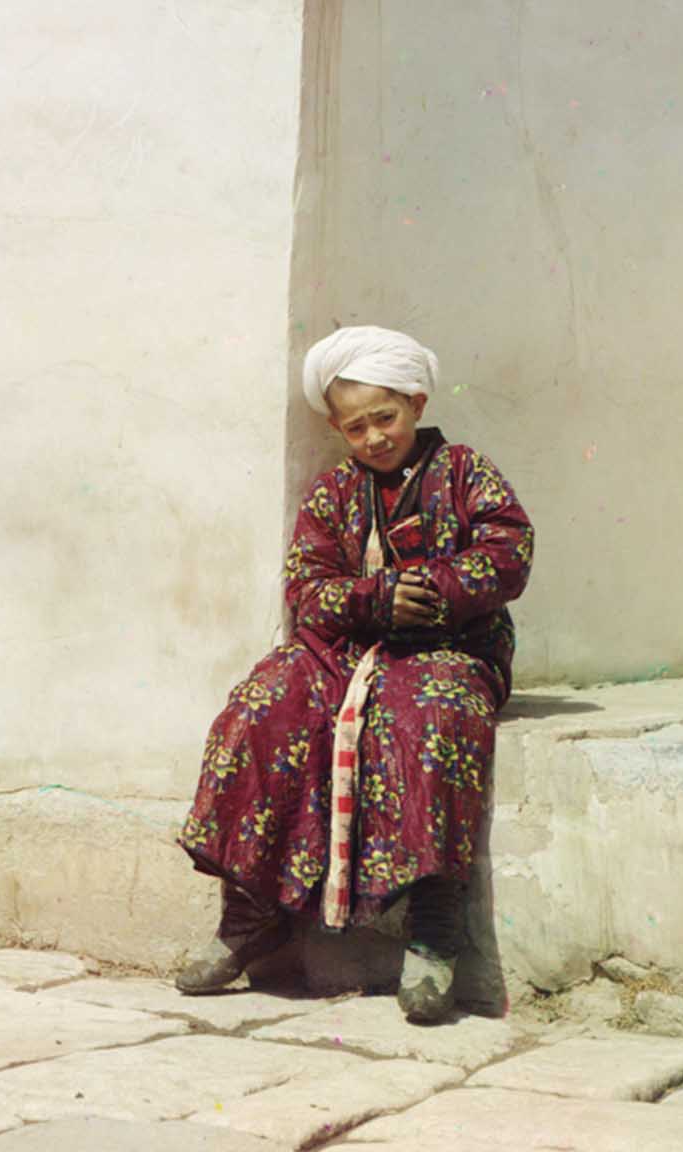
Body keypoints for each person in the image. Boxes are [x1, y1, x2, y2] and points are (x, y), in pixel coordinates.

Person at [174, 325, 534, 1023]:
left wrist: (430, 589)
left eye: (386, 418)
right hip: (343, 650)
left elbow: (510, 550)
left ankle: (433, 934)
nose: (373, 437)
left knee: (430, 717)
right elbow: (306, 587)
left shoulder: (465, 473)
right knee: (263, 703)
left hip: (446, 650)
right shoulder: (333, 492)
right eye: (356, 426)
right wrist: (372, 599)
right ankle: (249, 917)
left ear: (418, 402)